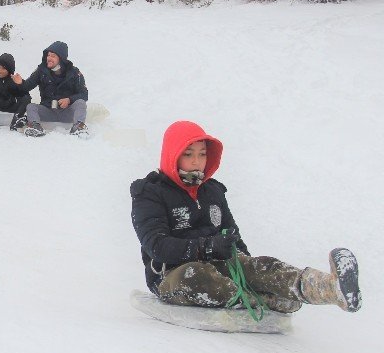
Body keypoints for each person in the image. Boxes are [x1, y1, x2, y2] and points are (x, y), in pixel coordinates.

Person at [129, 120, 362, 314]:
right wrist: (207, 247)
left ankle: (330, 288)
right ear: (172, 155)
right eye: (188, 154)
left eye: (202, 154)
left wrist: (249, 268)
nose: (196, 161)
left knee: (261, 266)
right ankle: (261, 300)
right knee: (196, 275)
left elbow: (233, 236)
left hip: (219, 265)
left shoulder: (212, 192)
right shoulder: (150, 193)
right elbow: (157, 246)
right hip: (172, 275)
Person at [12, 41, 88, 137]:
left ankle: (79, 127)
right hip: (48, 111)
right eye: (48, 55)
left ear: (61, 58)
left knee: (81, 103)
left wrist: (69, 100)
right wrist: (20, 83)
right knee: (31, 107)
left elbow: (84, 94)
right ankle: (35, 127)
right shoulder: (41, 70)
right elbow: (27, 86)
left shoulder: (74, 73)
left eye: (53, 56)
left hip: (67, 113)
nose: (49, 58)